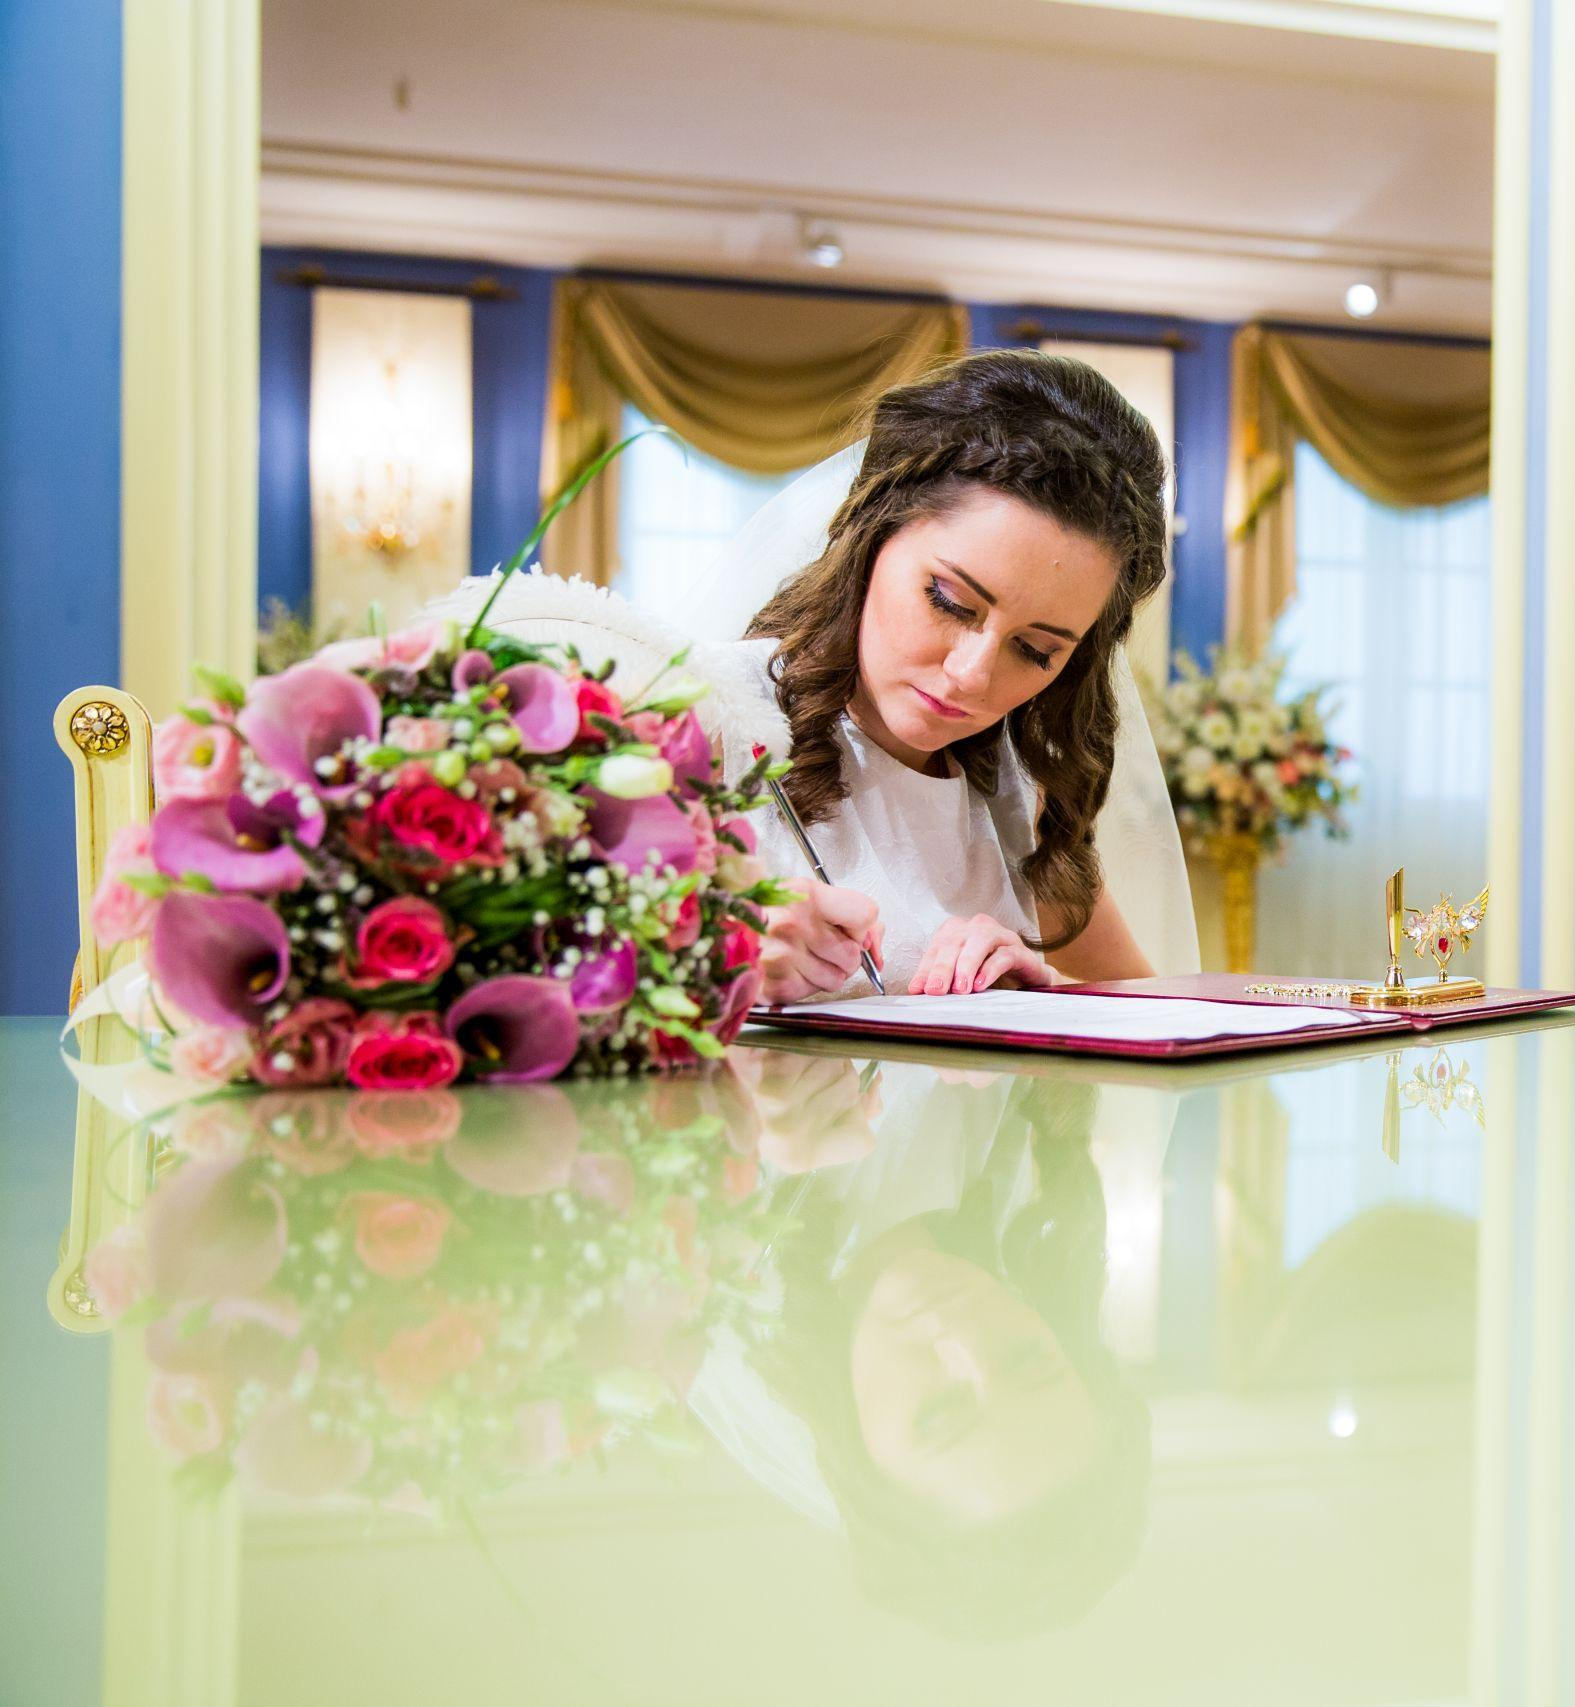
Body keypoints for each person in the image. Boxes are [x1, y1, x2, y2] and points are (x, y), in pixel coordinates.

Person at [430, 349, 1191, 1002]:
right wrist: (703, 957)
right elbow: (491, 979)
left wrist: (1046, 995)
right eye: (950, 601)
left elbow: (1165, 1022)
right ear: (871, 532)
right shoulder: (693, 719)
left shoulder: (1016, 803)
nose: (971, 675)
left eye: (1036, 650)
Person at [693, 1060, 1152, 1640]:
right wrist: (1043, 978)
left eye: (940, 1415)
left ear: (863, 1461)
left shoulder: (706, 1259)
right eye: (1028, 1359)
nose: (960, 1338)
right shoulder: (994, 1155)